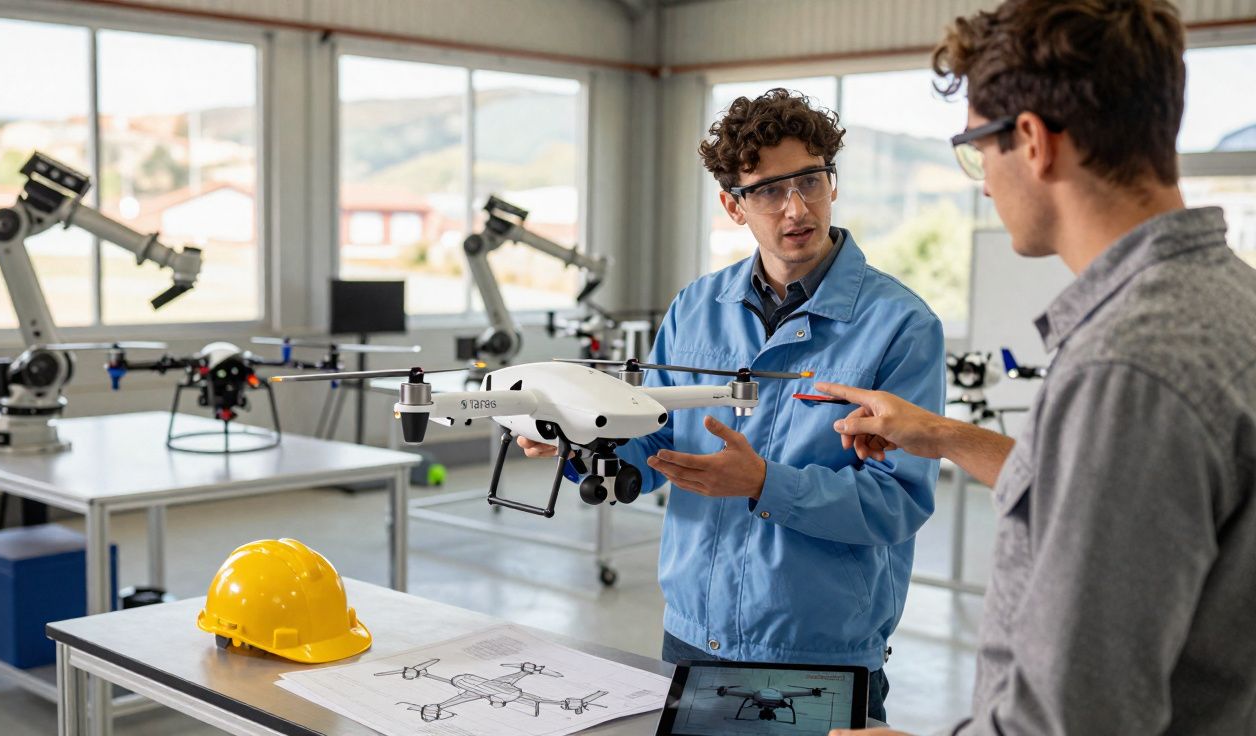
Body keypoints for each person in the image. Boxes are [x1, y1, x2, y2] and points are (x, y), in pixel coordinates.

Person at [822, 1, 1256, 734]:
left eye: (976, 150)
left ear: (1031, 141)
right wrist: (945, 436)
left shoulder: (1128, 366)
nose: (983, 183)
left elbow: (1071, 718)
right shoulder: (1226, 301)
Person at [520, 88, 945, 722]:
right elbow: (647, 440)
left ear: (833, 182)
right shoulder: (696, 308)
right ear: (733, 205)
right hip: (694, 634)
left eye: (811, 181)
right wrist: (577, 442)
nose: (796, 207)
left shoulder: (900, 326)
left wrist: (765, 484)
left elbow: (896, 502)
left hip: (820, 649)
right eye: (769, 190)